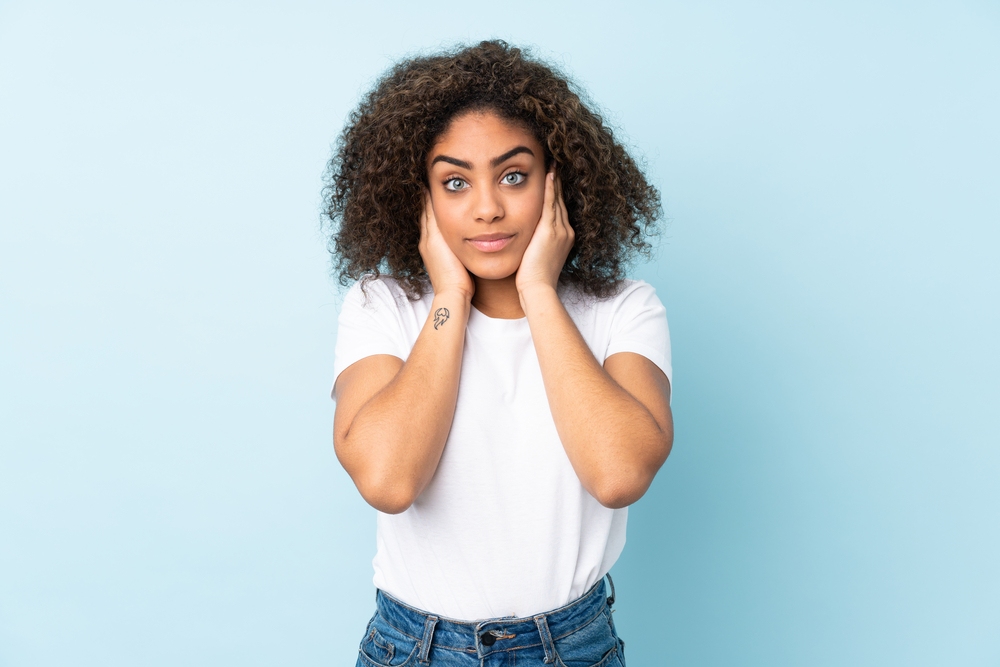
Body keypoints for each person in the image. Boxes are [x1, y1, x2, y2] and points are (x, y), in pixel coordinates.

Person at [324, 40, 672, 667]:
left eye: (514, 176)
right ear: (421, 198)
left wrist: (538, 288)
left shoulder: (624, 309)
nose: (487, 207)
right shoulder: (382, 308)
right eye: (455, 182)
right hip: (415, 649)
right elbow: (388, 480)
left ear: (558, 180)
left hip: (573, 648)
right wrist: (452, 292)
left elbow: (619, 475)